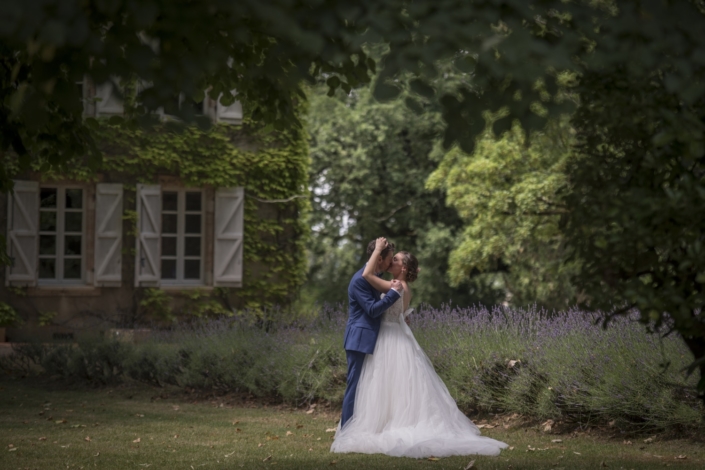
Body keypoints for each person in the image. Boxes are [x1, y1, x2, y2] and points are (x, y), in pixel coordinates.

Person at [331, 238, 508, 458]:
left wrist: (396, 301)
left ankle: (373, 426)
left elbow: (388, 306)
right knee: (367, 385)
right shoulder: (370, 279)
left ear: (403, 268)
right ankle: (355, 427)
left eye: (395, 260)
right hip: (376, 337)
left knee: (384, 384)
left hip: (388, 338)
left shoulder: (393, 284)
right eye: (390, 258)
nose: (390, 263)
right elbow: (383, 307)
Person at [340, 239, 404, 429]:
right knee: (355, 385)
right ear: (379, 259)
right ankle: (346, 430)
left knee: (366, 386)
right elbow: (372, 310)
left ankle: (361, 426)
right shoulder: (360, 279)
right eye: (390, 259)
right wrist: (393, 294)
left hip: (371, 339)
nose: (391, 263)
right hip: (358, 339)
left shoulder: (372, 277)